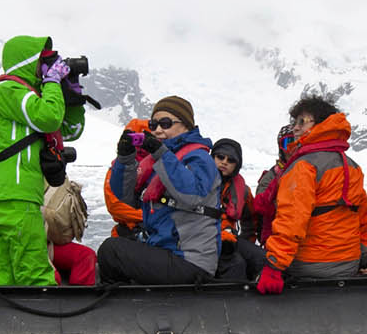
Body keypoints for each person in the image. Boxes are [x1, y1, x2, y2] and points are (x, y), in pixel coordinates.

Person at [0, 35, 86, 285]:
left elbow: (71, 129)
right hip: (16, 195)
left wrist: (70, 92)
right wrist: (51, 82)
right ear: (28, 62)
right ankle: (46, 322)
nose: (47, 67)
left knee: (4, 268)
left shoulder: (29, 97)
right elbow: (49, 117)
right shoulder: (9, 90)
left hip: (10, 195)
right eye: (44, 61)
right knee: (34, 269)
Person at [253, 96, 367, 295]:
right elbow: (364, 217)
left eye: (302, 122)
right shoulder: (350, 165)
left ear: (321, 125)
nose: (295, 128)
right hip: (349, 263)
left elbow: (292, 219)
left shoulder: (303, 166)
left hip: (311, 263)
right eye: (295, 122)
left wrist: (274, 265)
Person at [97, 96, 221, 284]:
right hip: (163, 250)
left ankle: (117, 306)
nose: (158, 130)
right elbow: (124, 197)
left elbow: (192, 195)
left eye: (166, 123)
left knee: (111, 251)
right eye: (153, 125)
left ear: (186, 125)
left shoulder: (199, 158)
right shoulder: (160, 159)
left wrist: (159, 151)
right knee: (118, 246)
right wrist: (125, 159)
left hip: (190, 260)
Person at [211, 138, 268, 280]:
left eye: (231, 160)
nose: (224, 162)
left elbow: (251, 220)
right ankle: (228, 300)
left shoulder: (243, 192)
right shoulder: (198, 181)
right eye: (220, 157)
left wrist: (247, 240)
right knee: (236, 265)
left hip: (231, 238)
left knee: (262, 259)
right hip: (204, 237)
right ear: (212, 157)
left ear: (236, 166)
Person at [42, 179, 98, 285]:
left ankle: (79, 297)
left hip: (44, 243)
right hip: (25, 246)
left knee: (86, 255)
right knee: (52, 280)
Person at [103, 118, 150, 237]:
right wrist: (151, 216)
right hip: (130, 231)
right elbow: (116, 207)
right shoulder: (118, 167)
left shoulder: (163, 162)